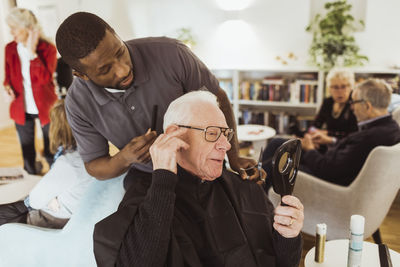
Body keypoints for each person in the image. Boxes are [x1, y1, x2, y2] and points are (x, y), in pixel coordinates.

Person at [93, 91, 304, 267]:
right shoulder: (147, 196)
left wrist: (288, 236)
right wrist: (163, 178)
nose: (227, 145)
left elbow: (285, 263)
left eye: (226, 134)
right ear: (174, 135)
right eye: (212, 133)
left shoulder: (245, 187)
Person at [55, 12, 258, 184]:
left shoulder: (173, 55)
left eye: (120, 52)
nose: (123, 70)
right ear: (81, 75)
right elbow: (94, 165)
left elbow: (218, 99)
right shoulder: (78, 104)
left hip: (204, 167)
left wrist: (233, 157)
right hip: (148, 179)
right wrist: (125, 158)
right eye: (106, 69)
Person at [0, 99, 94, 229]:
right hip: (69, 211)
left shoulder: (69, 162)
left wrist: (49, 198)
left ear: (57, 128)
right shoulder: (93, 152)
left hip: (50, 218)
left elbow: (35, 201)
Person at [300, 78, 400, 185]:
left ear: (367, 106)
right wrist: (329, 141)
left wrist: (309, 149)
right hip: (330, 164)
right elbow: (351, 153)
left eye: (354, 102)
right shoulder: (392, 127)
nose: (352, 107)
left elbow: (327, 170)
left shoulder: (368, 137)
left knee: (283, 161)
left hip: (327, 182)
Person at [3, 8, 58, 174]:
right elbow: (8, 77)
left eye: (14, 28)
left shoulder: (47, 49)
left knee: (51, 151)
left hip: (45, 107)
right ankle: (31, 182)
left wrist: (32, 53)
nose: (11, 32)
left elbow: (44, 79)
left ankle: (55, 178)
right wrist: (7, 87)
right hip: (21, 107)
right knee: (27, 153)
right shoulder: (10, 48)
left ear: (27, 28)